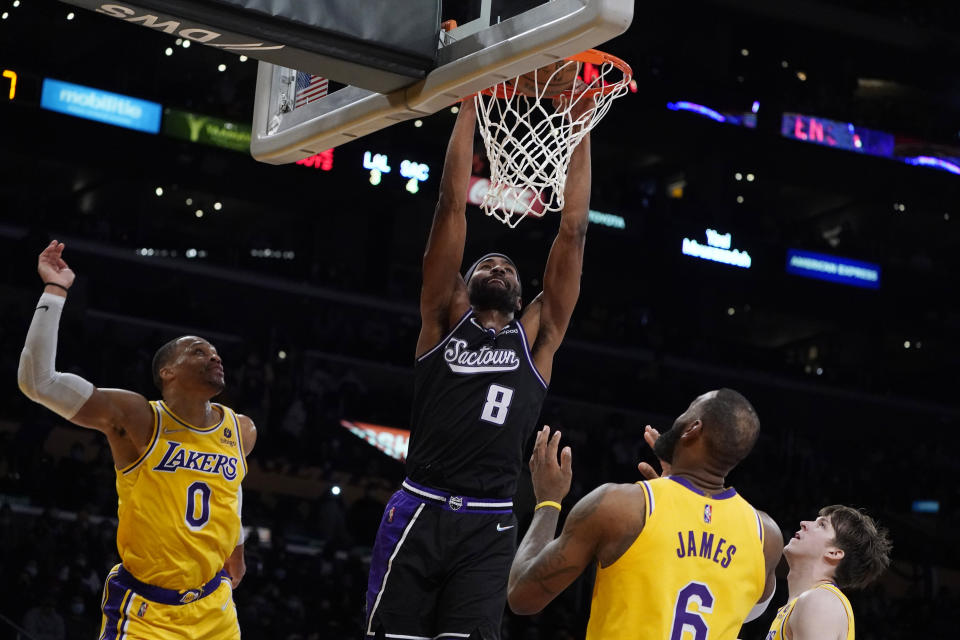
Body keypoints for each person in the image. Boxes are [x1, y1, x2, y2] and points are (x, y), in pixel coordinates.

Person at [364, 95, 593, 640]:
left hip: (490, 521)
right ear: (462, 288)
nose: (497, 267)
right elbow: (449, 207)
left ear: (523, 293)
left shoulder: (536, 339)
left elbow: (574, 230)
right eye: (485, 264)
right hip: (420, 505)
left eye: (508, 267)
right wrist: (469, 107)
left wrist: (582, 128)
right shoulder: (442, 324)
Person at [17, 241, 255, 639]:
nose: (214, 357)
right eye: (199, 351)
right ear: (168, 372)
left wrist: (237, 549)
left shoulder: (241, 429)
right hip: (147, 611)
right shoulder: (138, 418)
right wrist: (54, 291)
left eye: (215, 353)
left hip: (215, 608)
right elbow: (38, 382)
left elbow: (230, 494)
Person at [508, 389, 784, 639]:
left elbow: (522, 596)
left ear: (693, 429)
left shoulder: (622, 507)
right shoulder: (766, 536)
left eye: (686, 411)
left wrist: (548, 501)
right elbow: (744, 610)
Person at [766, 506, 892, 640]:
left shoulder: (821, 601)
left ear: (834, 553)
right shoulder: (806, 603)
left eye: (822, 525)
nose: (803, 523)